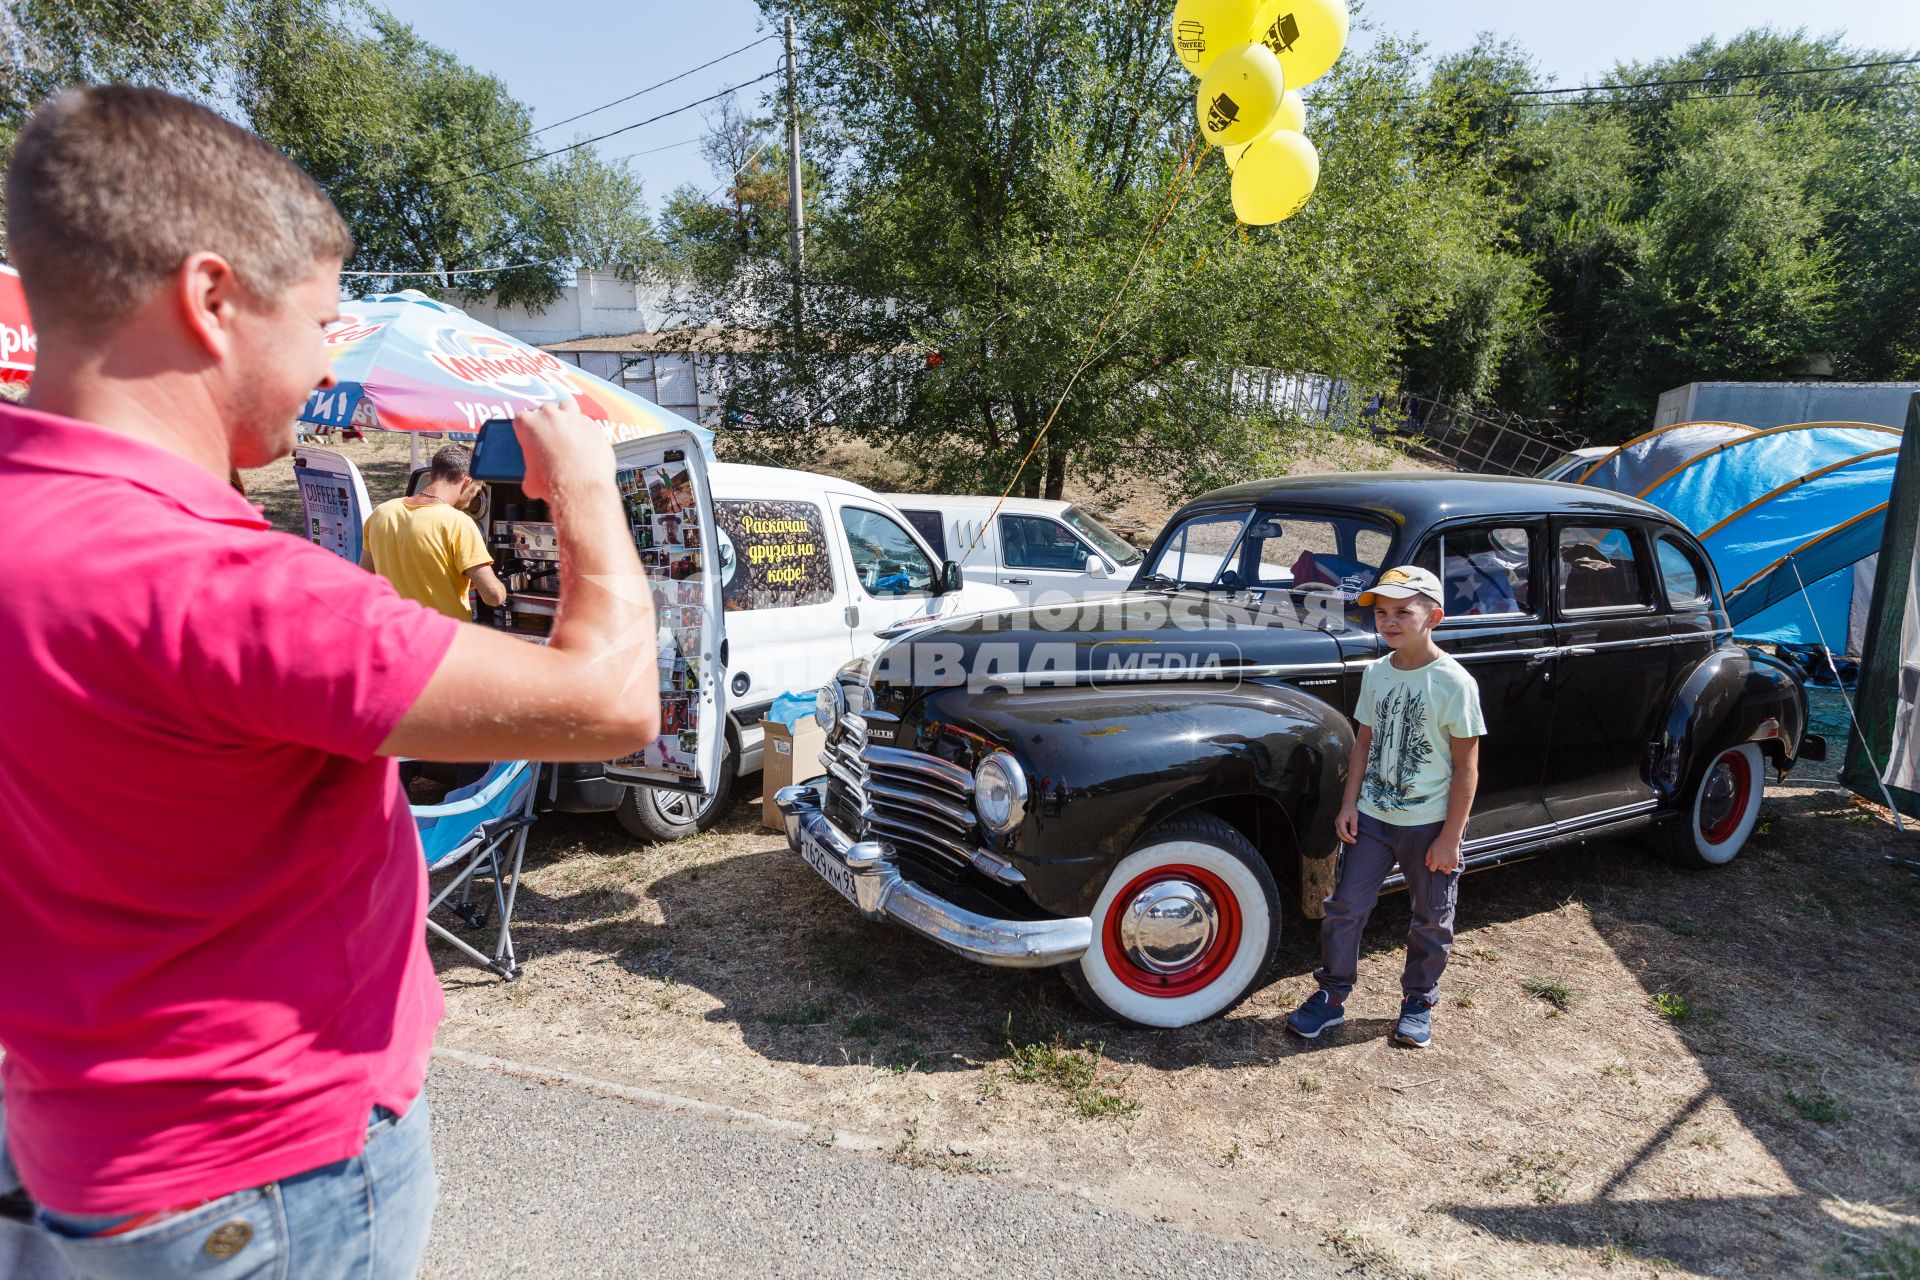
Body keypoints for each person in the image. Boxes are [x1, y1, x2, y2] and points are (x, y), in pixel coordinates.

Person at [0, 86, 659, 1278]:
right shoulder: (220, 583)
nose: (324, 361)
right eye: (317, 322)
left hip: (71, 1133)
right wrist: (590, 485)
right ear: (210, 300)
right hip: (263, 1166)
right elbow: (613, 697)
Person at [1287, 565, 1485, 1049]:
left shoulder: (1455, 683)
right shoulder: (1376, 673)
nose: (1389, 621)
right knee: (1344, 906)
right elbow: (1363, 745)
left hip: (1429, 824)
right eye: (1381, 612)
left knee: (1432, 917)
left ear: (1433, 616)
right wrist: (1349, 803)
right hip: (1374, 818)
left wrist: (1449, 837)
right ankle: (1332, 996)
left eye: (1402, 611)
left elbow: (1465, 769)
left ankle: (1419, 1000)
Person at [362, 443, 507, 620]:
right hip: (442, 636)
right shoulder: (458, 523)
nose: (473, 499)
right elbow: (493, 597)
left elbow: (366, 580)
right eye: (476, 491)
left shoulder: (381, 512)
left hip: (394, 631)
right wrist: (501, 588)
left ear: (431, 475)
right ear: (467, 481)